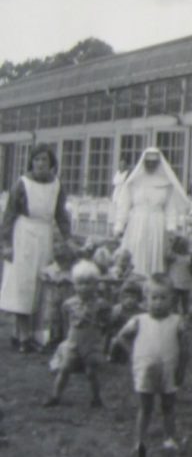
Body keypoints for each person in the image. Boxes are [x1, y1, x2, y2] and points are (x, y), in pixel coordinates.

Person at [0, 143, 72, 353]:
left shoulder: (56, 185)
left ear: (51, 163)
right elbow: (9, 215)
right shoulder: (22, 183)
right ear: (31, 162)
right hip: (23, 234)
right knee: (23, 284)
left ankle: (32, 334)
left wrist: (68, 238)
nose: (41, 164)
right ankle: (22, 335)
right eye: (37, 159)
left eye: (45, 160)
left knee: (41, 285)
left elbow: (61, 214)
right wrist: (6, 244)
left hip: (45, 236)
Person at [112, 274, 188, 457]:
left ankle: (169, 438)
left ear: (172, 299)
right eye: (154, 298)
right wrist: (133, 352)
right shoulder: (140, 320)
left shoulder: (176, 321)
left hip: (169, 369)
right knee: (145, 407)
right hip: (145, 369)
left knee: (168, 404)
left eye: (163, 298)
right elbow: (120, 337)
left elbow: (184, 348)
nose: (158, 303)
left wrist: (181, 369)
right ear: (146, 300)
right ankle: (140, 441)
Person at [113, 148, 190, 277]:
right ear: (143, 162)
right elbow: (124, 206)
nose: (150, 165)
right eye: (147, 162)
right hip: (137, 222)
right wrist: (119, 226)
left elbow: (170, 209)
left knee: (154, 252)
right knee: (135, 250)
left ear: (158, 163)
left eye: (153, 163)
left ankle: (153, 280)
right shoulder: (134, 182)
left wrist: (171, 228)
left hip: (157, 223)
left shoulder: (166, 183)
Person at [43, 261, 111, 408]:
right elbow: (66, 321)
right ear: (74, 285)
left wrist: (101, 336)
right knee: (64, 368)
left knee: (91, 372)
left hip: (91, 343)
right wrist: (66, 339)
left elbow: (106, 324)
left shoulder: (100, 304)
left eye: (88, 283)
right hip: (73, 342)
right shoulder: (69, 304)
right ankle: (55, 396)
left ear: (95, 284)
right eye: (80, 284)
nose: (84, 287)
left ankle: (96, 398)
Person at [39, 241, 77, 352]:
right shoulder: (53, 269)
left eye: (66, 262)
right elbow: (42, 273)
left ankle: (66, 338)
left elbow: (75, 279)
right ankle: (53, 338)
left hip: (68, 298)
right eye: (61, 262)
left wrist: (67, 280)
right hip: (53, 298)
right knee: (52, 318)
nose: (63, 265)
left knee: (66, 318)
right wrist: (47, 278)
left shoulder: (72, 271)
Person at [105, 279, 145, 364]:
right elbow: (110, 328)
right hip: (119, 337)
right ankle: (110, 357)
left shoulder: (140, 312)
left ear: (138, 298)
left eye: (133, 297)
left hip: (134, 337)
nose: (129, 300)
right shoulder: (117, 310)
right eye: (126, 297)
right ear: (121, 298)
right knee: (114, 341)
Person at [165, 234, 192, 315]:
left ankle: (182, 315)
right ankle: (178, 315)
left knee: (183, 303)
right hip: (178, 283)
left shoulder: (186, 257)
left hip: (181, 283)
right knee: (178, 303)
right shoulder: (175, 256)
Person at [109, 157, 131, 230]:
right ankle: (115, 228)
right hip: (116, 194)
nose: (121, 166)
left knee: (122, 212)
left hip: (124, 194)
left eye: (123, 165)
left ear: (126, 165)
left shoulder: (127, 174)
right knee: (115, 212)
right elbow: (114, 185)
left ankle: (121, 229)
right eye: (120, 164)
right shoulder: (117, 173)